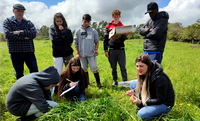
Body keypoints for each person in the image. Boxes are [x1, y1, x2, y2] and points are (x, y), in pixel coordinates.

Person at [126, 54, 175, 120]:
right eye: (137, 66)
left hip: (164, 104)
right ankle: (142, 107)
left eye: (141, 66)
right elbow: (143, 85)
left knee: (141, 114)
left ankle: (157, 116)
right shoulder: (145, 72)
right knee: (133, 84)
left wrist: (141, 102)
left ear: (148, 66)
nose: (138, 69)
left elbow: (160, 100)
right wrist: (134, 91)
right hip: (152, 95)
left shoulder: (160, 78)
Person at [3, 3, 38, 79]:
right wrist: (25, 36)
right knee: (19, 74)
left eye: (22, 12)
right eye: (18, 11)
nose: (20, 13)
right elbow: (8, 35)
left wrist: (18, 32)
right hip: (15, 52)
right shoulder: (8, 22)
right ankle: (21, 90)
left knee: (35, 72)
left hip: (29, 51)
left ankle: (35, 89)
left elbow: (33, 34)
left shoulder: (28, 22)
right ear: (13, 11)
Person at [74, 14, 103, 88]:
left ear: (90, 22)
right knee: (84, 69)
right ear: (82, 20)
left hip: (91, 53)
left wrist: (96, 50)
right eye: (85, 21)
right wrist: (77, 53)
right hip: (82, 54)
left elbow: (97, 41)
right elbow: (75, 43)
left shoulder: (93, 31)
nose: (86, 23)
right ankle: (86, 83)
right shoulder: (78, 31)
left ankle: (98, 83)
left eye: (88, 22)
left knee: (94, 67)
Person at [49, 12, 74, 94]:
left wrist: (63, 31)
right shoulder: (52, 30)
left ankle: (70, 87)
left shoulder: (67, 30)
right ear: (54, 21)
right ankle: (57, 89)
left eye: (60, 21)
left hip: (68, 53)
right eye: (57, 21)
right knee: (58, 72)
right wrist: (65, 42)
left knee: (70, 71)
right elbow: (54, 40)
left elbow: (70, 41)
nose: (59, 23)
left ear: (63, 20)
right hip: (57, 54)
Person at [103, 9, 128, 86]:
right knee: (113, 67)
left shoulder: (123, 26)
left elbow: (124, 39)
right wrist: (105, 50)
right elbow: (105, 38)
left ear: (119, 16)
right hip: (111, 49)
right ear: (112, 17)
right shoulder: (108, 25)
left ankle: (125, 82)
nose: (115, 18)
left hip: (120, 49)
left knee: (122, 66)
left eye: (117, 16)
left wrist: (124, 35)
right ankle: (115, 81)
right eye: (114, 16)